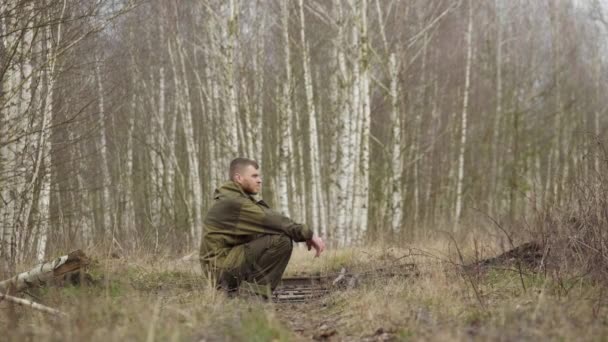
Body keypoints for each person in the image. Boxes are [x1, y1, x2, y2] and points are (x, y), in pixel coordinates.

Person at [199, 157, 325, 297]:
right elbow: (273, 221)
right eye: (254, 176)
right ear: (238, 178)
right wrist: (308, 234)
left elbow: (269, 224)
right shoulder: (234, 202)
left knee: (272, 235)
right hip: (221, 269)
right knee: (280, 240)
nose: (259, 180)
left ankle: (246, 291)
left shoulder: (235, 199)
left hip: (222, 266)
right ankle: (253, 296)